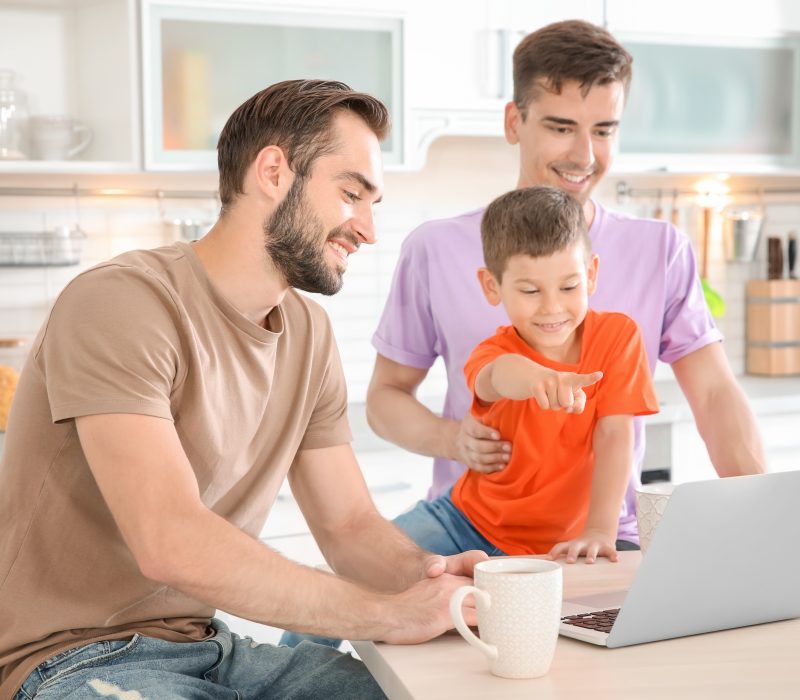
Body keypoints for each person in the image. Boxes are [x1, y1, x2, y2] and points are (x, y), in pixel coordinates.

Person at [0, 79, 486, 700]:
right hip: (70, 659)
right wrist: (388, 614)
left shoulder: (309, 334)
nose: (367, 228)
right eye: (350, 193)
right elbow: (169, 541)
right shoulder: (122, 303)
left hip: (209, 649)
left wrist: (438, 580)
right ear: (274, 172)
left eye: (373, 203)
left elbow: (348, 526)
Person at [367, 19, 765, 550]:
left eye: (604, 130)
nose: (584, 155)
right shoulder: (435, 249)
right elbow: (384, 398)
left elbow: (715, 395)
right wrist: (453, 439)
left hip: (600, 542)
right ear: (514, 121)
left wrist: (768, 522)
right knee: (352, 585)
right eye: (561, 127)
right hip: (468, 531)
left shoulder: (660, 250)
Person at [392, 185, 659, 564]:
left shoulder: (619, 337)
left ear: (592, 274)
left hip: (566, 542)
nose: (552, 307)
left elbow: (616, 434)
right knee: (359, 575)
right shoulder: (492, 353)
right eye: (531, 290)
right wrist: (540, 380)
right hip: (463, 523)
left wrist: (600, 530)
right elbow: (498, 376)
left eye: (569, 286)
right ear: (492, 286)